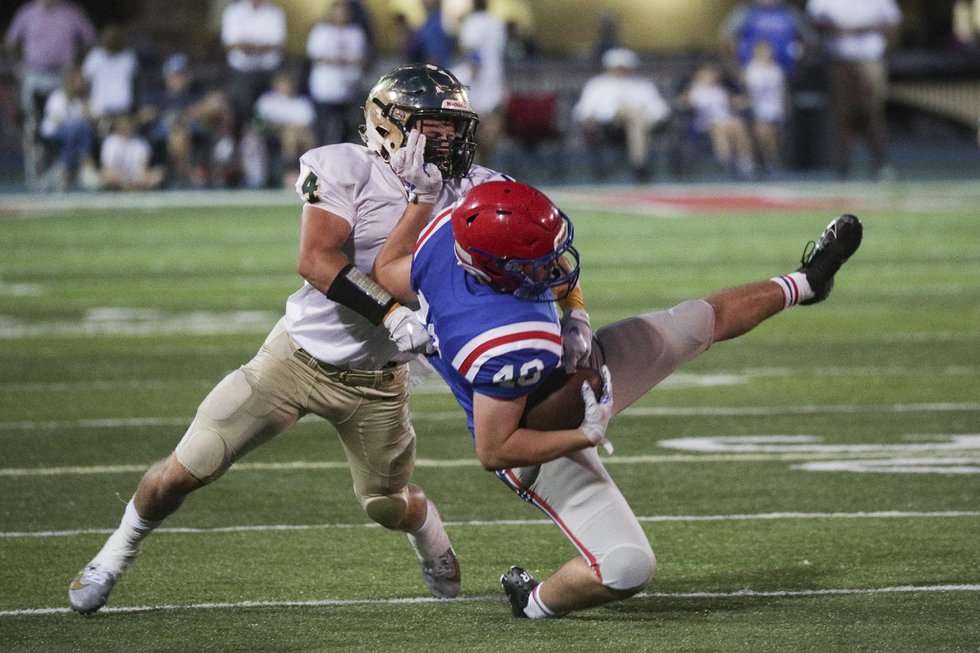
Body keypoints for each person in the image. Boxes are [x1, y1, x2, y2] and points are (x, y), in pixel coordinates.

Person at [67, 62, 503, 614]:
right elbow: (316, 261)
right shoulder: (346, 167)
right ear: (388, 123)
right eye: (434, 127)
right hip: (296, 359)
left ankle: (433, 539)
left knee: (385, 504)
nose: (448, 141)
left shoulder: (478, 188)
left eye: (454, 128)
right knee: (187, 468)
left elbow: (543, 244)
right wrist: (394, 315)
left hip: (379, 381)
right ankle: (114, 552)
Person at [373, 171, 863, 619]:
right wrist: (583, 435)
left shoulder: (448, 236)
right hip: (534, 433)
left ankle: (807, 284)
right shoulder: (502, 340)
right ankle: (534, 603)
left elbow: (391, 268)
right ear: (500, 271)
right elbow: (495, 449)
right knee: (626, 567)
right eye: (538, 265)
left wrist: (577, 315)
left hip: (564, 373)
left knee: (693, 323)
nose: (556, 268)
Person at [805, 0, 902, 179]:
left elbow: (893, 23)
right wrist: (837, 28)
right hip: (839, 60)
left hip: (871, 60)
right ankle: (843, 163)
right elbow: (814, 22)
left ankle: (880, 162)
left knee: (873, 112)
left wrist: (862, 29)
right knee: (843, 115)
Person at [571, 48, 671, 181]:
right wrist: (590, 120)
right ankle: (640, 165)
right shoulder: (597, 85)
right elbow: (583, 110)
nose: (620, 71)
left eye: (624, 67)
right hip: (609, 126)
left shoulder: (643, 84)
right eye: (617, 67)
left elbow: (660, 110)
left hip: (641, 125)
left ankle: (639, 166)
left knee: (635, 122)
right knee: (627, 110)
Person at [3, 0, 96, 123]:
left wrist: (78, 63)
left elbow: (89, 39)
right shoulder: (27, 12)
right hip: (34, 73)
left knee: (66, 112)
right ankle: (33, 131)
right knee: (29, 108)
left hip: (64, 74)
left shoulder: (71, 12)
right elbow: (11, 42)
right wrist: (19, 64)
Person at [305, 0, 369, 146]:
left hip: (349, 89)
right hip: (325, 89)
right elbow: (316, 57)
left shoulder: (356, 33)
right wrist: (343, 60)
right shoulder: (321, 31)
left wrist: (337, 60)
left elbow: (361, 59)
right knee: (323, 128)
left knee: (346, 131)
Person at [220, 0, 287, 137]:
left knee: (268, 108)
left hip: (269, 71)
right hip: (241, 71)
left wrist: (249, 46)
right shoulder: (234, 11)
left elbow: (279, 45)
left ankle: (259, 139)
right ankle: (236, 138)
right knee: (238, 105)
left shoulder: (274, 12)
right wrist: (262, 46)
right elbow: (232, 44)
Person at [454, 0, 508, 166]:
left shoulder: (473, 22)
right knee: (488, 129)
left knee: (474, 128)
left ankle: (474, 166)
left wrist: (472, 72)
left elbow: (470, 50)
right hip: (494, 78)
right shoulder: (497, 22)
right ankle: (482, 165)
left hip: (476, 80)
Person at [680, 64, 756, 179]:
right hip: (705, 122)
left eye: (712, 75)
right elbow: (682, 104)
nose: (711, 77)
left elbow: (733, 103)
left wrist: (742, 102)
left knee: (739, 125)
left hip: (725, 119)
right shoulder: (695, 91)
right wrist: (685, 99)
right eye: (707, 75)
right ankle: (727, 163)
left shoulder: (719, 90)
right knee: (719, 127)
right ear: (700, 76)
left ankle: (745, 163)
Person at [250, 70, 317, 188]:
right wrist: (283, 128)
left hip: (298, 137)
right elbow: (259, 123)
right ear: (276, 85)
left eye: (288, 84)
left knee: (301, 137)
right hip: (270, 136)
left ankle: (308, 173)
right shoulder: (267, 101)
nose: (286, 87)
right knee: (290, 135)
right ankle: (289, 171)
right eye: (283, 83)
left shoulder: (301, 103)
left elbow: (306, 126)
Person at [38, 64, 98, 191]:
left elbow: (95, 117)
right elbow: (58, 120)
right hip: (54, 132)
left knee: (82, 127)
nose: (79, 84)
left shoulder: (83, 100)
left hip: (74, 135)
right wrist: (79, 118)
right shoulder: (58, 96)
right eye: (76, 81)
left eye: (81, 81)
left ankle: (63, 169)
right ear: (69, 82)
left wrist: (87, 106)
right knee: (78, 127)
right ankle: (85, 163)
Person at [720, 0, 812, 77]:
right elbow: (726, 37)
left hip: (787, 70)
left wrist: (800, 55)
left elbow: (809, 39)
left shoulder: (791, 12)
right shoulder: (745, 11)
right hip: (749, 70)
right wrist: (736, 67)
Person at [81, 23, 138, 130]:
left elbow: (135, 81)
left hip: (122, 107)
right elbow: (84, 80)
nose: (111, 41)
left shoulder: (128, 57)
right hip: (99, 107)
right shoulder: (95, 56)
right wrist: (86, 102)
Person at [743, 40, 788, 176]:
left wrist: (785, 106)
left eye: (768, 50)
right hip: (758, 108)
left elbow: (782, 90)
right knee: (764, 134)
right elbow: (746, 91)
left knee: (774, 137)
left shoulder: (777, 69)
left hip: (775, 107)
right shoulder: (750, 69)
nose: (767, 53)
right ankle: (767, 163)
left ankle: (772, 162)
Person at [98, 113, 166, 191]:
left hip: (135, 178)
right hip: (117, 177)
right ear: (118, 126)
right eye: (123, 124)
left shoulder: (141, 143)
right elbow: (108, 167)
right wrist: (123, 180)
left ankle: (133, 189)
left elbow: (143, 167)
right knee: (107, 174)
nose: (126, 127)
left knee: (158, 174)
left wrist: (142, 178)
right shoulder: (111, 141)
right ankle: (130, 189)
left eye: (128, 124)